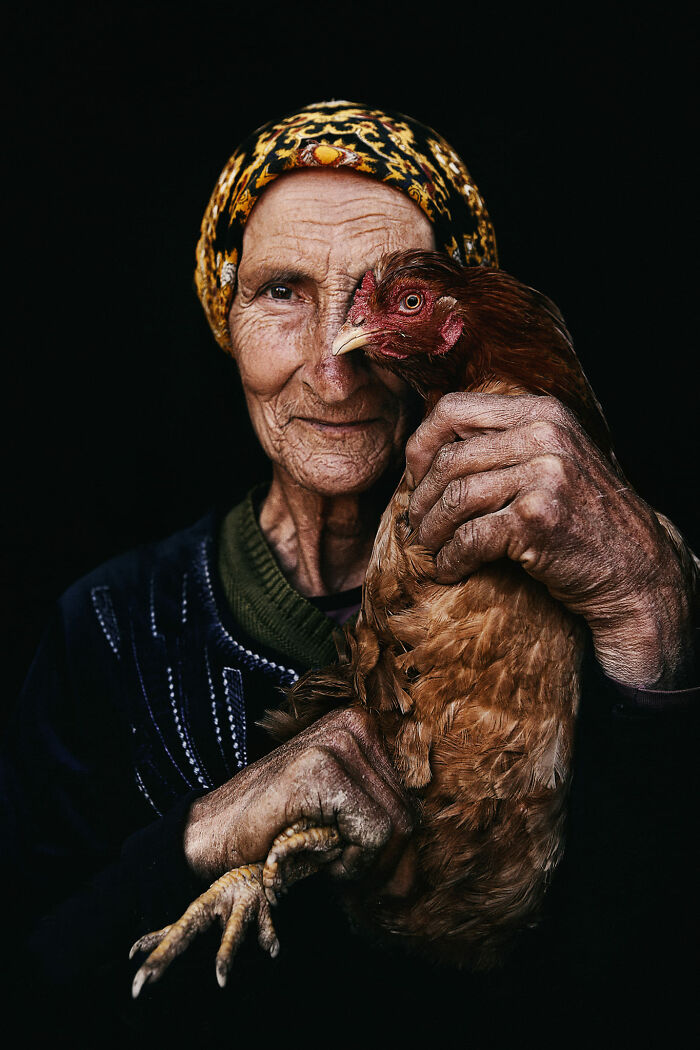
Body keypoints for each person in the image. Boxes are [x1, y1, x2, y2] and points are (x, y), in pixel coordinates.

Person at [2, 100, 697, 1044]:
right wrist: (207, 831)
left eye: (388, 297)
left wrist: (649, 620)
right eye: (282, 292)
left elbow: (651, 978)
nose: (336, 371)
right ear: (225, 319)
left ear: (459, 325)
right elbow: (26, 987)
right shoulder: (111, 625)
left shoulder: (596, 581)